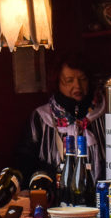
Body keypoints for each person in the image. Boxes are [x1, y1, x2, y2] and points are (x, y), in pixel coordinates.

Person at [15, 53, 106, 183]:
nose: (77, 86)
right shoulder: (42, 118)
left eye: (82, 79)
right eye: (69, 81)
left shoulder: (103, 113)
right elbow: (25, 160)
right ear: (57, 82)